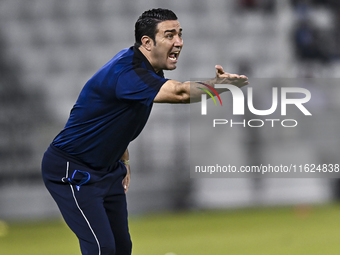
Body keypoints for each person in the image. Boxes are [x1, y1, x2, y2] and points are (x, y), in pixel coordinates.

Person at [41, 8, 248, 255]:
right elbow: (180, 93)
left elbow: (113, 122)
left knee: (121, 248)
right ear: (147, 43)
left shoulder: (145, 69)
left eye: (180, 34)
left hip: (107, 169)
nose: (179, 42)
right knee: (101, 248)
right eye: (170, 35)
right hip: (72, 169)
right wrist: (219, 86)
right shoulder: (127, 73)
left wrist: (123, 159)